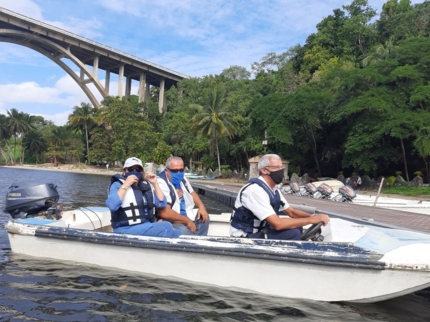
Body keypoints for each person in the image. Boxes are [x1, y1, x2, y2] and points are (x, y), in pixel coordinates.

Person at [230, 154, 330, 240]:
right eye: (276, 167)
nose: (281, 171)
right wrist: (311, 220)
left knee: (297, 227)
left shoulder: (273, 189)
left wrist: (314, 217)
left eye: (281, 167)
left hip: (261, 231)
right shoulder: (255, 191)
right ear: (264, 170)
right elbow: (277, 224)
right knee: (293, 234)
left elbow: (291, 212)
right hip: (244, 236)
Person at [106, 157, 182, 238]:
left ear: (142, 172)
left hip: (145, 225)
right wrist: (126, 184)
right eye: (131, 169)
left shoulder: (145, 186)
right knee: (166, 227)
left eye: (138, 169)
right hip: (125, 228)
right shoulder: (118, 185)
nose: (134, 171)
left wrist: (155, 184)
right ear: (124, 171)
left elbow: (162, 203)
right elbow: (112, 205)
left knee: (178, 233)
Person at [156, 156, 210, 236]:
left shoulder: (182, 178)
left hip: (185, 214)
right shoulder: (161, 182)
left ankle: (197, 243)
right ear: (166, 170)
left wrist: (202, 207)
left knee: (205, 218)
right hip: (170, 219)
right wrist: (187, 221)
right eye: (174, 171)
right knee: (183, 231)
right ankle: (193, 244)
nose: (178, 173)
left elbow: (192, 192)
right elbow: (165, 213)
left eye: (181, 170)